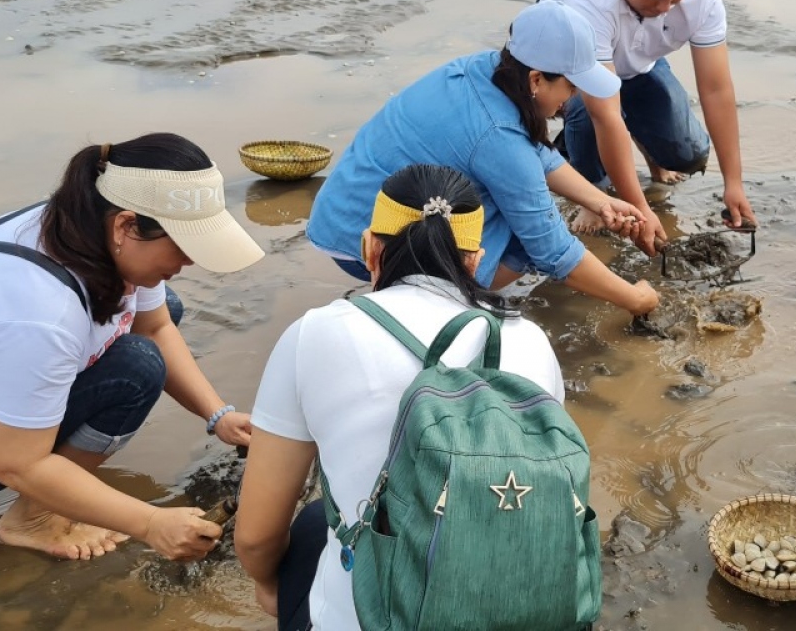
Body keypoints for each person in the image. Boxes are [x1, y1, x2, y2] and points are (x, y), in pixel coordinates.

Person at [0, 133, 265, 560]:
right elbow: (17, 464)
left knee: (161, 305)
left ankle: (53, 486)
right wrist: (150, 523)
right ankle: (35, 519)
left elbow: (153, 326)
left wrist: (217, 415)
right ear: (126, 225)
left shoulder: (86, 220)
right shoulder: (41, 311)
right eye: (185, 247)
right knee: (137, 369)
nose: (190, 262)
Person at [237, 164, 567, 630]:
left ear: (370, 247)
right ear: (475, 260)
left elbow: (255, 537)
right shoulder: (530, 339)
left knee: (314, 523)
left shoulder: (315, 334)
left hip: (373, 617)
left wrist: (270, 587)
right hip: (513, 604)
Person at [306, 0, 659, 317]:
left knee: (520, 202)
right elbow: (553, 251)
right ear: (536, 79)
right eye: (570, 86)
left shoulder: (487, 68)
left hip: (340, 211)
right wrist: (635, 299)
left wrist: (602, 201)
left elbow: (535, 152)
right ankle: (438, 302)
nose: (573, 98)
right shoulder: (499, 137)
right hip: (363, 243)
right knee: (527, 237)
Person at [540, 0, 757, 253]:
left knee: (690, 154)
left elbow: (716, 90)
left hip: (637, 64)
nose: (667, 7)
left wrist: (734, 183)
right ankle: (589, 189)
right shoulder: (587, 0)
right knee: (588, 109)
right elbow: (605, 115)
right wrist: (640, 208)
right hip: (569, 75)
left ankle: (647, 151)